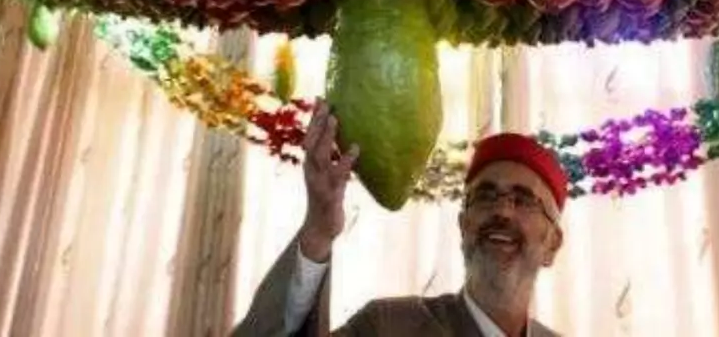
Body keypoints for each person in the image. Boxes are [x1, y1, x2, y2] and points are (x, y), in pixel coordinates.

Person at [232, 104, 568, 337]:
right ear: (463, 225)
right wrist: (318, 231)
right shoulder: (387, 326)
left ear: (552, 244)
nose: (502, 212)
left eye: (523, 200)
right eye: (485, 195)